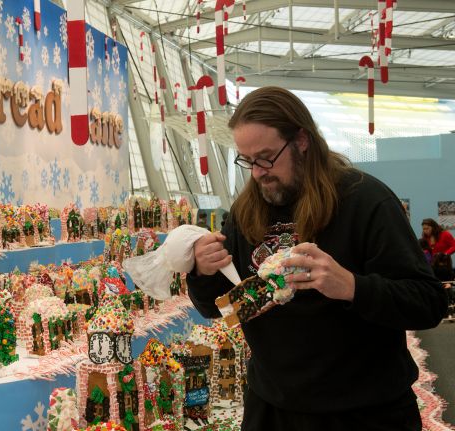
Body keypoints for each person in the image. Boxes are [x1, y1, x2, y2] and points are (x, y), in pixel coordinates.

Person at [186, 86, 447, 431]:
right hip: (272, 408)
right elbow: (218, 308)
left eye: (266, 156)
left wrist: (353, 286)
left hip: (365, 412)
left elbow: (429, 303)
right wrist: (203, 272)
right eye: (247, 160)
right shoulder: (244, 211)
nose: (258, 172)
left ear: (302, 141)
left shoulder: (365, 199)